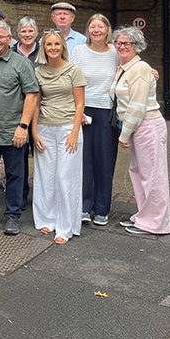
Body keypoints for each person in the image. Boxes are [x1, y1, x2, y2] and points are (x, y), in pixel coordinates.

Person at [0, 20, 39, 235]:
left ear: (9, 39)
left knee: (14, 175)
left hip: (14, 130)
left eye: (0, 37)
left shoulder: (21, 64)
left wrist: (23, 126)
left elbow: (32, 95)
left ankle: (12, 216)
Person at [110, 26, 170, 236]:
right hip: (137, 128)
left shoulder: (140, 68)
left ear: (137, 46)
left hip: (147, 126)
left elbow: (137, 106)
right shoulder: (124, 67)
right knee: (139, 173)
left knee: (153, 176)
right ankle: (144, 217)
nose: (122, 46)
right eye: (119, 42)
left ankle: (156, 224)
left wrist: (124, 134)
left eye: (127, 43)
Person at [32, 30, 87, 245]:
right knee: (46, 176)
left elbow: (80, 103)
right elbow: (36, 103)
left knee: (65, 178)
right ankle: (48, 218)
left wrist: (74, 132)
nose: (53, 48)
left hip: (67, 129)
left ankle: (66, 226)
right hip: (45, 128)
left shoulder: (73, 70)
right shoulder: (39, 72)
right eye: (48, 44)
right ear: (43, 48)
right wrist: (34, 132)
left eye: (56, 44)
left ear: (62, 46)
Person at [70, 14, 120, 226]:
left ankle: (101, 208)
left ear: (107, 30)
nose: (96, 30)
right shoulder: (78, 51)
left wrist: (150, 71)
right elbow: (70, 79)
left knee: (105, 162)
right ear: (88, 29)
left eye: (101, 26)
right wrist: (76, 111)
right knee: (83, 161)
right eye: (93, 26)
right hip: (82, 110)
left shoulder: (116, 53)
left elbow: (131, 69)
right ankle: (83, 205)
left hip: (107, 113)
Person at [14, 16, 40, 209]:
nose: (27, 34)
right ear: (18, 34)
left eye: (30, 31)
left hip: (40, 110)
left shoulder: (44, 51)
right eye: (23, 31)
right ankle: (21, 194)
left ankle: (41, 196)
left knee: (40, 153)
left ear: (36, 33)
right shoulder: (12, 51)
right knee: (19, 156)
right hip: (17, 110)